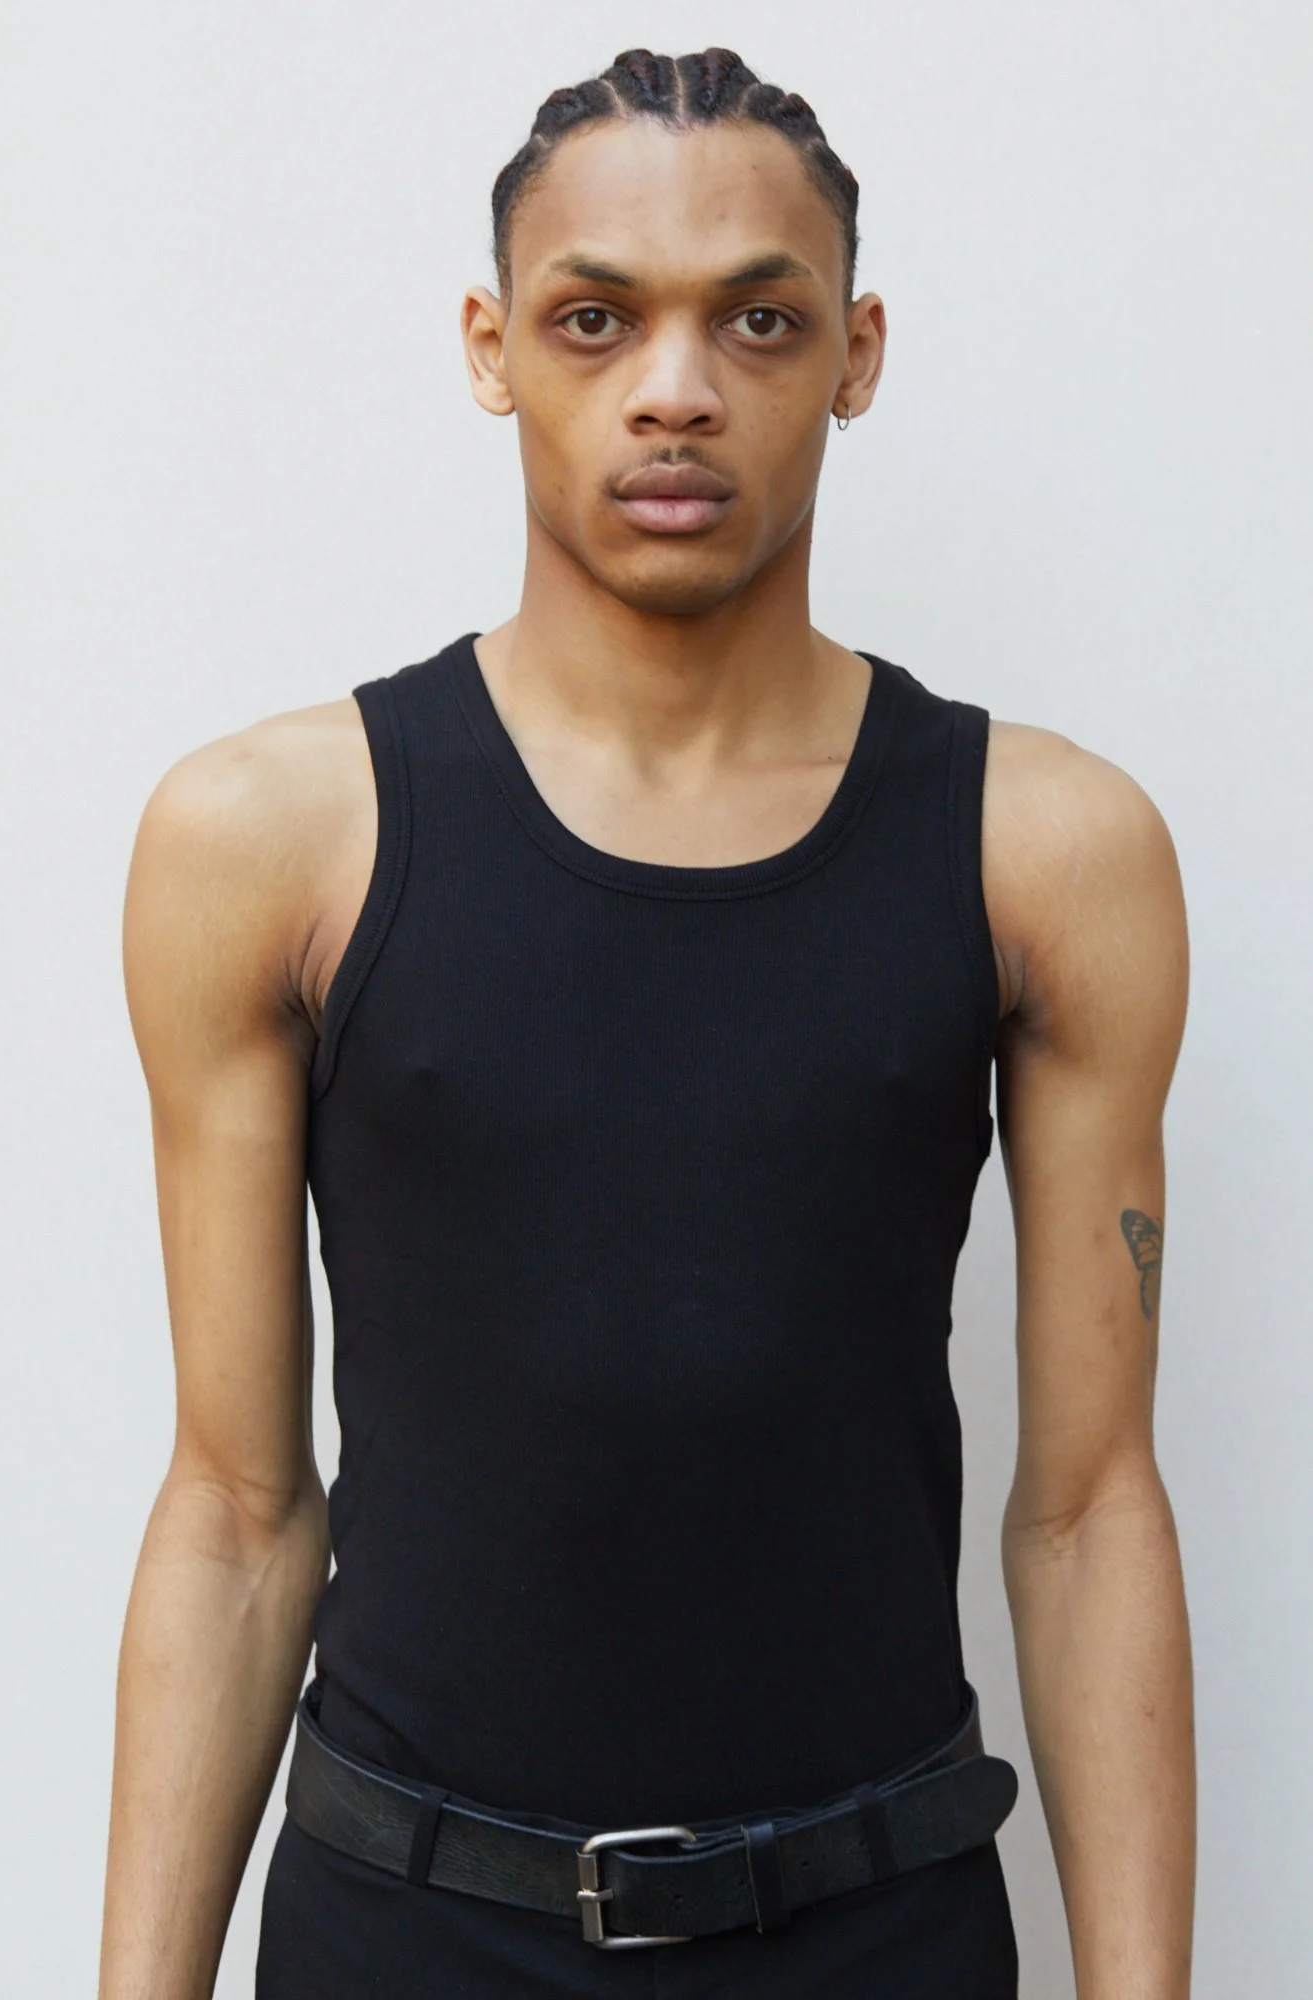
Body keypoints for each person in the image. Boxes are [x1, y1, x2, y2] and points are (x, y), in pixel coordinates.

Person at [98, 46, 1195, 2000]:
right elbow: (239, 1512)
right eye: (595, 318)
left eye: (757, 320)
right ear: (492, 347)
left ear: (856, 352)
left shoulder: (1044, 850)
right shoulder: (269, 841)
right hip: (406, 1936)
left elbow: (1093, 1507)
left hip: (878, 1932)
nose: (674, 390)